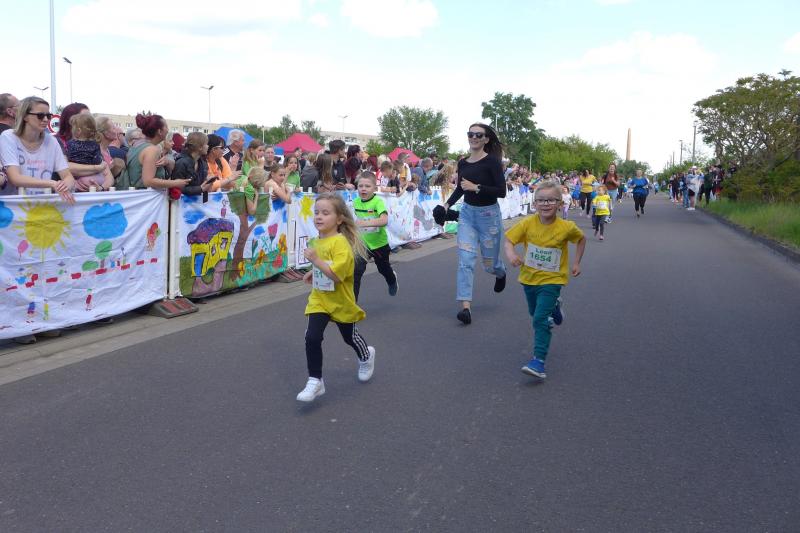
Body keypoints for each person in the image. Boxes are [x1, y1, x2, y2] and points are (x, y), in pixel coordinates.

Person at [297, 192, 376, 402]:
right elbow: (324, 265)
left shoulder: (341, 243)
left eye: (325, 213)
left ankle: (366, 355)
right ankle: (315, 380)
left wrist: (316, 261)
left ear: (339, 219)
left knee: (349, 337)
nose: (319, 216)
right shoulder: (317, 241)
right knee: (312, 337)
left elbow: (337, 275)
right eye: (316, 212)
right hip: (320, 298)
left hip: (341, 300)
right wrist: (313, 272)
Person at [504, 181, 586, 379]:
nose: (545, 204)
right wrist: (511, 255)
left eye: (551, 200)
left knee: (540, 319)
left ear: (560, 203)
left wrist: (576, 263)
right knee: (534, 313)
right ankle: (555, 307)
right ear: (534, 204)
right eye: (541, 200)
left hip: (553, 279)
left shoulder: (567, 227)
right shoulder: (527, 223)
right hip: (529, 278)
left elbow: (581, 239)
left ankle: (538, 361)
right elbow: (509, 240)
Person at [442, 123, 507, 325]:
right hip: (468, 215)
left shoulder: (492, 162)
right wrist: (447, 204)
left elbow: (502, 191)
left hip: (489, 216)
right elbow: (461, 188)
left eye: (479, 135)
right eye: (471, 134)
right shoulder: (463, 163)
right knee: (465, 260)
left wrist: (477, 187)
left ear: (486, 139)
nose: (474, 137)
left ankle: (500, 272)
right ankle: (465, 308)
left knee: (489, 264)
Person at [0, 96, 76, 202]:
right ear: (25, 116)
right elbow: (15, 178)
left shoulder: (52, 141)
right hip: (14, 206)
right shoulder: (8, 137)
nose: (46, 119)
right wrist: (52, 183)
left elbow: (68, 176)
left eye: (48, 116)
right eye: (40, 115)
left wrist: (64, 186)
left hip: (42, 204)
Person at [352, 172, 398, 300]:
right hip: (362, 244)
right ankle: (352, 305)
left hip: (379, 244)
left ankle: (392, 280)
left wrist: (365, 223)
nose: (363, 189)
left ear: (374, 188)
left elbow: (384, 220)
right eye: (360, 186)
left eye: (367, 186)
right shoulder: (355, 202)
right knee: (356, 272)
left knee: (383, 269)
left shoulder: (378, 202)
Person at [66, 113, 114, 191]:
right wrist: (97, 167)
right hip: (93, 180)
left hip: (77, 183)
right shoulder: (95, 145)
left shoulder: (69, 144)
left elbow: (66, 163)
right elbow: (98, 162)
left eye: (72, 128)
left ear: (78, 131)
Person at [171, 132, 214, 197]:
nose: (208, 146)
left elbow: (201, 185)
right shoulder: (181, 163)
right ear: (200, 147)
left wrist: (207, 182)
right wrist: (200, 189)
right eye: (206, 144)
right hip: (183, 202)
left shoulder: (203, 163)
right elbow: (176, 188)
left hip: (197, 201)